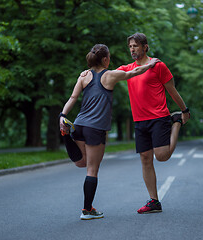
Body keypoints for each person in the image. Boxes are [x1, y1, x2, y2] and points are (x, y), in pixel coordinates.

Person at [59, 44, 159, 220]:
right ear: (105, 59)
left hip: (80, 124)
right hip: (95, 128)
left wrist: (62, 115)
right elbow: (132, 73)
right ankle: (87, 210)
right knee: (92, 169)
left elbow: (73, 98)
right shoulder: (110, 75)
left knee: (81, 163)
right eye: (109, 57)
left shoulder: (84, 76)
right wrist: (151, 64)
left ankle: (67, 136)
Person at [116, 33, 190, 214]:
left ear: (145, 47)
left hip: (158, 117)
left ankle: (176, 122)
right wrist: (90, 72)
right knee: (145, 159)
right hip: (139, 121)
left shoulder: (159, 66)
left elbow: (172, 90)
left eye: (135, 46)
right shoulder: (128, 69)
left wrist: (184, 110)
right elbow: (107, 75)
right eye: (130, 47)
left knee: (162, 156)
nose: (132, 49)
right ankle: (154, 201)